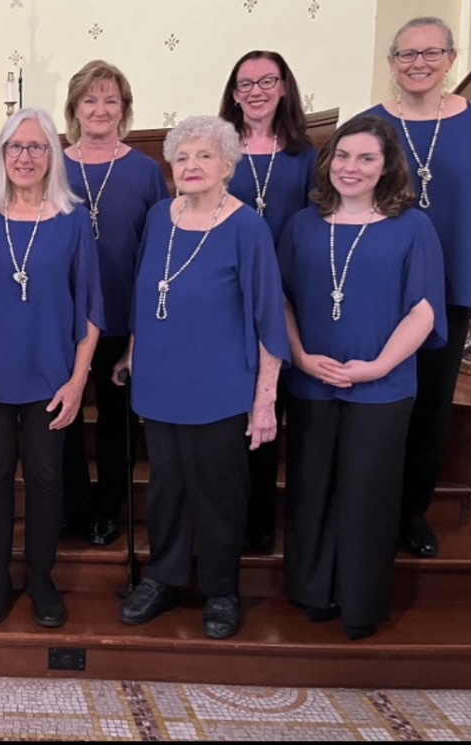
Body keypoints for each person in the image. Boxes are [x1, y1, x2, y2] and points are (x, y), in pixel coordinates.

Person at [116, 115, 288, 640]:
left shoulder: (246, 227)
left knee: (219, 492)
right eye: (182, 158)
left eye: (204, 156)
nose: (192, 166)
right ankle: (164, 577)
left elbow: (267, 316)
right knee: (166, 487)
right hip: (161, 380)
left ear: (228, 165)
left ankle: (220, 588)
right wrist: (131, 355)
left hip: (222, 383)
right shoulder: (160, 217)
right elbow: (148, 294)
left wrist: (265, 400)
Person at [279, 115, 445, 640]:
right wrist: (301, 357)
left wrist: (378, 366)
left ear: (386, 167)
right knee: (312, 486)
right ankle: (313, 590)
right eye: (343, 156)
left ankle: (360, 600)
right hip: (312, 378)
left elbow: (422, 310)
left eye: (365, 158)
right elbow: (279, 299)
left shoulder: (412, 226)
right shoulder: (302, 224)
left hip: (383, 384)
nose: (351, 168)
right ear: (328, 163)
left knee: (367, 492)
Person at [0, 108, 103, 629]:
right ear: (2, 155)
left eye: (37, 147)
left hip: (52, 376)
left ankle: (40, 577)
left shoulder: (72, 218)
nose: (26, 157)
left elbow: (92, 307)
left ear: (52, 155)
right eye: (16, 147)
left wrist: (79, 382)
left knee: (46, 477)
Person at [363, 16, 471, 558]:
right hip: (377, 285)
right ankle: (369, 507)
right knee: (380, 400)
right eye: (407, 54)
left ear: (451, 60)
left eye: (431, 53)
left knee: (433, 400)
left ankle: (411, 510)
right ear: (391, 63)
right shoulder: (369, 124)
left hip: (454, 279)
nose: (419, 63)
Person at [60, 60, 167, 546]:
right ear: (74, 108)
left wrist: (143, 336)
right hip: (61, 317)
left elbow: (158, 253)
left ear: (123, 109)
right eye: (90, 100)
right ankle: (72, 506)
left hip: (124, 315)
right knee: (59, 418)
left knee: (116, 422)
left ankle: (109, 508)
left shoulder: (145, 171)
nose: (100, 109)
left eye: (110, 100)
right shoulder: (52, 164)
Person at [219, 50, 318, 552]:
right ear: (234, 94)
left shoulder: (306, 155)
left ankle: (260, 520)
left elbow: (317, 228)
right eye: (245, 84)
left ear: (284, 87)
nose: (256, 91)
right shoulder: (217, 151)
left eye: (267, 81)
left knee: (271, 407)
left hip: (287, 299)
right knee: (235, 411)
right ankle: (227, 515)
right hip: (226, 301)